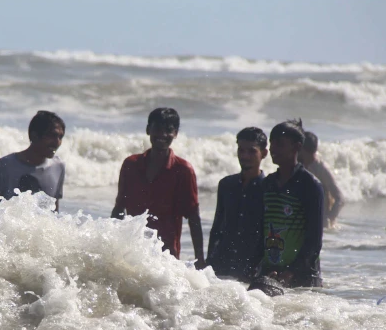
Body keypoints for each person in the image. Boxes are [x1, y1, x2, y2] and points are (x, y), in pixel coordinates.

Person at [111, 108, 205, 269]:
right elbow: (119, 210)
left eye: (168, 130)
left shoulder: (183, 170)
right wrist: (111, 247)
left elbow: (193, 218)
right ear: (148, 130)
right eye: (157, 129)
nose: (162, 135)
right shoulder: (131, 165)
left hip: (166, 256)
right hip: (132, 251)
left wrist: (200, 260)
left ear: (175, 134)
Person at [258, 119, 324, 288]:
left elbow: (314, 241)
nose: (273, 148)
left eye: (279, 144)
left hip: (303, 278)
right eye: (272, 143)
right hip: (271, 272)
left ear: (296, 147)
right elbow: (259, 231)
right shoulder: (267, 184)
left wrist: (291, 272)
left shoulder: (310, 185)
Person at [207, 127, 268, 281]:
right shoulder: (226, 184)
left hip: (252, 270)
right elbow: (216, 229)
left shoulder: (270, 188)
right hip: (221, 266)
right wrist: (208, 263)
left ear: (264, 153)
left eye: (252, 151)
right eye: (241, 150)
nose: (245, 156)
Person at [0, 111, 66, 211]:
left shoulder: (58, 166)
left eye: (60, 137)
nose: (57, 142)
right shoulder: (5, 165)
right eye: (52, 135)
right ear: (34, 136)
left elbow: (54, 212)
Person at [298, 131, 344, 229]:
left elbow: (340, 198)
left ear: (304, 150)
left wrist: (329, 219)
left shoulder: (321, 169)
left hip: (321, 223)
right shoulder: (299, 165)